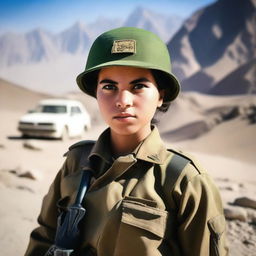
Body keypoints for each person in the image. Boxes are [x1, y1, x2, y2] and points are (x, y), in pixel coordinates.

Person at [25, 27, 228, 256]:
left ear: (161, 95)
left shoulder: (184, 180)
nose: (122, 101)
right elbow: (44, 237)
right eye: (109, 87)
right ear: (96, 94)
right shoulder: (76, 162)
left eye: (138, 86)